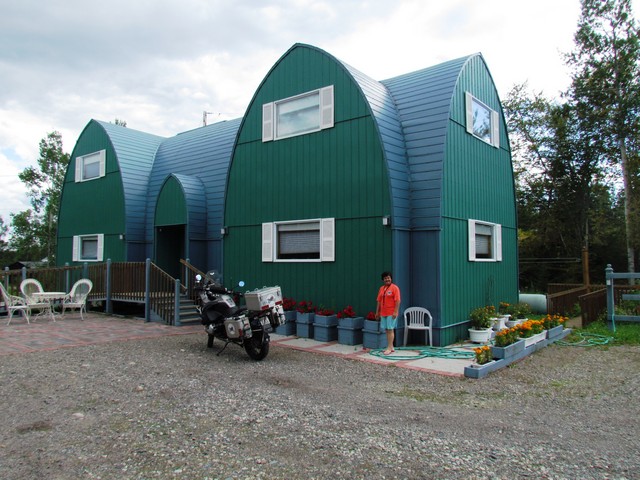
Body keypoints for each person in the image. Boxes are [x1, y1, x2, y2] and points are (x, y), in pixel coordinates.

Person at [375, 271, 401, 355]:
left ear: (391, 278)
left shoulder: (395, 288)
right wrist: (377, 312)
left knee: (390, 329)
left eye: (388, 278)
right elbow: (379, 301)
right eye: (385, 278)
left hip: (391, 312)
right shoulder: (381, 288)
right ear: (383, 280)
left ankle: (389, 348)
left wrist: (395, 311)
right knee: (386, 329)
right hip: (383, 312)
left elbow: (397, 300)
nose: (387, 279)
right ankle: (391, 346)